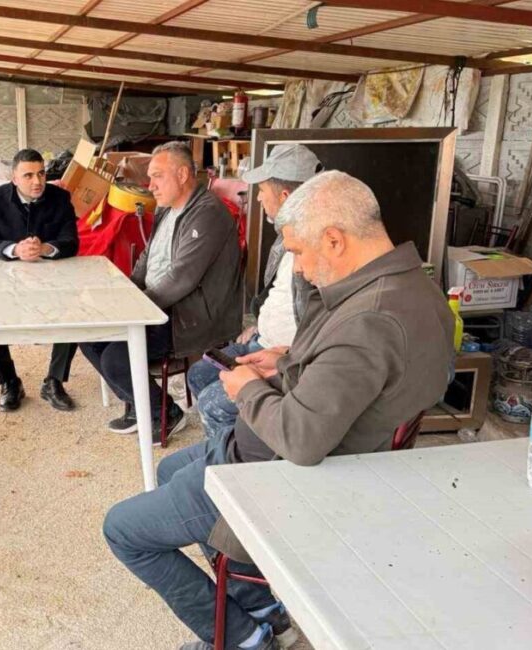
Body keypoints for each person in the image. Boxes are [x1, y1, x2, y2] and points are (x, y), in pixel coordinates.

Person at [102, 171, 454, 650]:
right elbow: (351, 371)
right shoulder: (411, 285)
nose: (301, 270)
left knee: (123, 530)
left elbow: (302, 440)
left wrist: (248, 389)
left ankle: (243, 639)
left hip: (281, 472)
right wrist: (286, 361)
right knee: (169, 469)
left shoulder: (369, 319)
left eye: (299, 253)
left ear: (334, 240)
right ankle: (262, 607)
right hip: (304, 451)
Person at [80, 141, 243, 444]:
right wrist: (125, 293)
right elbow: (147, 258)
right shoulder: (168, 209)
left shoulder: (207, 213)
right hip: (159, 306)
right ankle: (138, 403)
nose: (150, 185)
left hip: (190, 316)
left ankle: (164, 414)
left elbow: (182, 279)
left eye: (157, 176)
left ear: (182, 175)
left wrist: (135, 308)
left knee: (117, 358)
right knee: (89, 334)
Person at [186, 144, 320, 441]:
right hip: (262, 341)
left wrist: (289, 355)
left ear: (285, 197)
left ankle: (241, 454)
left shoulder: (317, 248)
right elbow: (280, 296)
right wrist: (259, 324)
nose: (258, 198)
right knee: (199, 374)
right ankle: (235, 438)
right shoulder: (285, 235)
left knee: (212, 403)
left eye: (262, 191)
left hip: (288, 356)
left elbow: (320, 323)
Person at [0, 148, 80, 412]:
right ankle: (9, 382)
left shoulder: (60, 198)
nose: (37, 181)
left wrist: (46, 248)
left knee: (75, 310)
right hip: (6, 279)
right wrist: (15, 249)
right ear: (14, 178)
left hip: (51, 279)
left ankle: (54, 381)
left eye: (41, 174)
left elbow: (71, 242)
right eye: (28, 175)